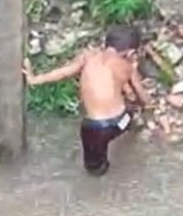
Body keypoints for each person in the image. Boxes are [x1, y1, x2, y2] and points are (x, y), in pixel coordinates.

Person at [23, 24, 152, 176]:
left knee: (95, 170)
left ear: (106, 43)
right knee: (131, 112)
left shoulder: (87, 56)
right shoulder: (127, 67)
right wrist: (147, 105)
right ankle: (134, 125)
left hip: (91, 129)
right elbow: (144, 98)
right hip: (115, 124)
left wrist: (35, 79)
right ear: (130, 52)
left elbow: (64, 72)